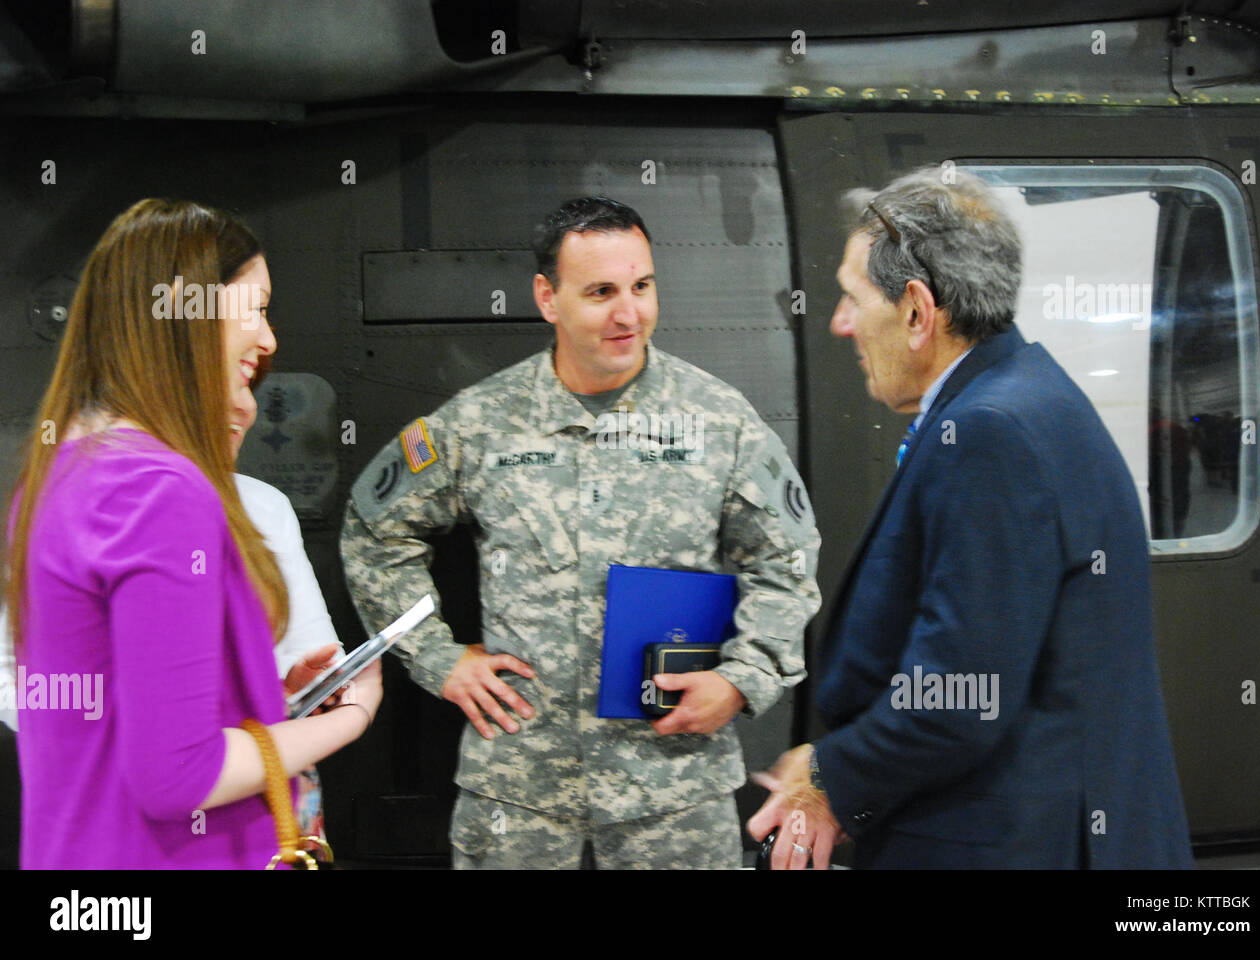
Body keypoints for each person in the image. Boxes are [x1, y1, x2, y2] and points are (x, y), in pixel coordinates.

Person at [341, 196, 821, 869]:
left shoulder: (718, 420)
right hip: (520, 786)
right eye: (601, 292)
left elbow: (787, 556)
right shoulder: (482, 422)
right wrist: (437, 658)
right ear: (547, 297)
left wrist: (746, 676)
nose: (629, 314)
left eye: (642, 287)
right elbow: (375, 528)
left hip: (674, 784)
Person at [747, 166, 1194, 869]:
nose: (840, 322)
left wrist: (831, 777)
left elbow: (961, 698)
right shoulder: (1032, 396)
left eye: (852, 297)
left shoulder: (990, 435)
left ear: (919, 312)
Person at [4, 199, 380, 868]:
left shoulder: (58, 478)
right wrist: (350, 719)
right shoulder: (161, 490)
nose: (269, 341)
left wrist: (255, 695)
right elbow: (179, 778)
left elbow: (122, 720)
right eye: (256, 307)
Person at [1, 382, 343, 839]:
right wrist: (115, 740)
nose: (243, 406)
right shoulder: (69, 503)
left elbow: (313, 650)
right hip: (119, 802)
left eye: (246, 384)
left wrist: (295, 691)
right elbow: (12, 675)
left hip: (253, 789)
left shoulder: (264, 508)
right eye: (221, 386)